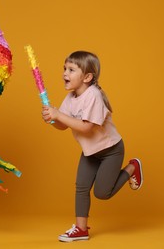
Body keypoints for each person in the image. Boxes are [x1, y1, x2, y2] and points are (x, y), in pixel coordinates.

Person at [41, 51, 143, 242]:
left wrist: (58, 115)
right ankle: (81, 229)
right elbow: (63, 126)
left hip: (110, 150)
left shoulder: (93, 95)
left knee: (102, 193)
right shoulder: (71, 98)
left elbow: (86, 128)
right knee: (81, 187)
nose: (65, 73)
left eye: (71, 69)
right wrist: (52, 119)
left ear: (87, 77)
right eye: (64, 68)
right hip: (90, 153)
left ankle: (132, 167)